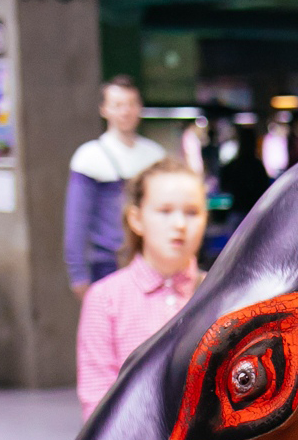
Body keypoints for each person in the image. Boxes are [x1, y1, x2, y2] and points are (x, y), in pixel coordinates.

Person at [75, 159, 206, 417]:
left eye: (192, 212)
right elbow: (96, 402)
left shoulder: (223, 294)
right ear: (136, 219)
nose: (180, 224)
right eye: (165, 211)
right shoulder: (105, 299)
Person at [64, 75, 167, 297]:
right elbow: (76, 221)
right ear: (104, 109)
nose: (125, 111)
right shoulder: (89, 157)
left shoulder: (155, 155)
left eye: (131, 104)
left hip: (153, 262)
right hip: (107, 265)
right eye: (117, 105)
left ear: (139, 107)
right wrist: (78, 274)